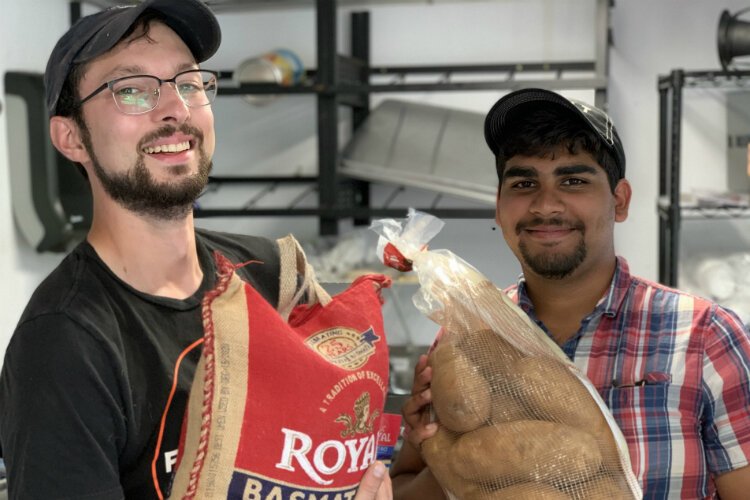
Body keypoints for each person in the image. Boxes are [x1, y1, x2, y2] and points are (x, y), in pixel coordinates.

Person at [0, 1, 392, 499]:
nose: (176, 109)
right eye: (133, 91)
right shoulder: (66, 341)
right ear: (71, 137)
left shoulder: (267, 274)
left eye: (189, 83)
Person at [390, 88, 750, 499]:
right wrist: (444, 452)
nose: (545, 205)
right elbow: (401, 489)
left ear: (619, 200)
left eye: (573, 180)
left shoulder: (705, 337)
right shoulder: (468, 338)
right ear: (499, 205)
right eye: (524, 182)